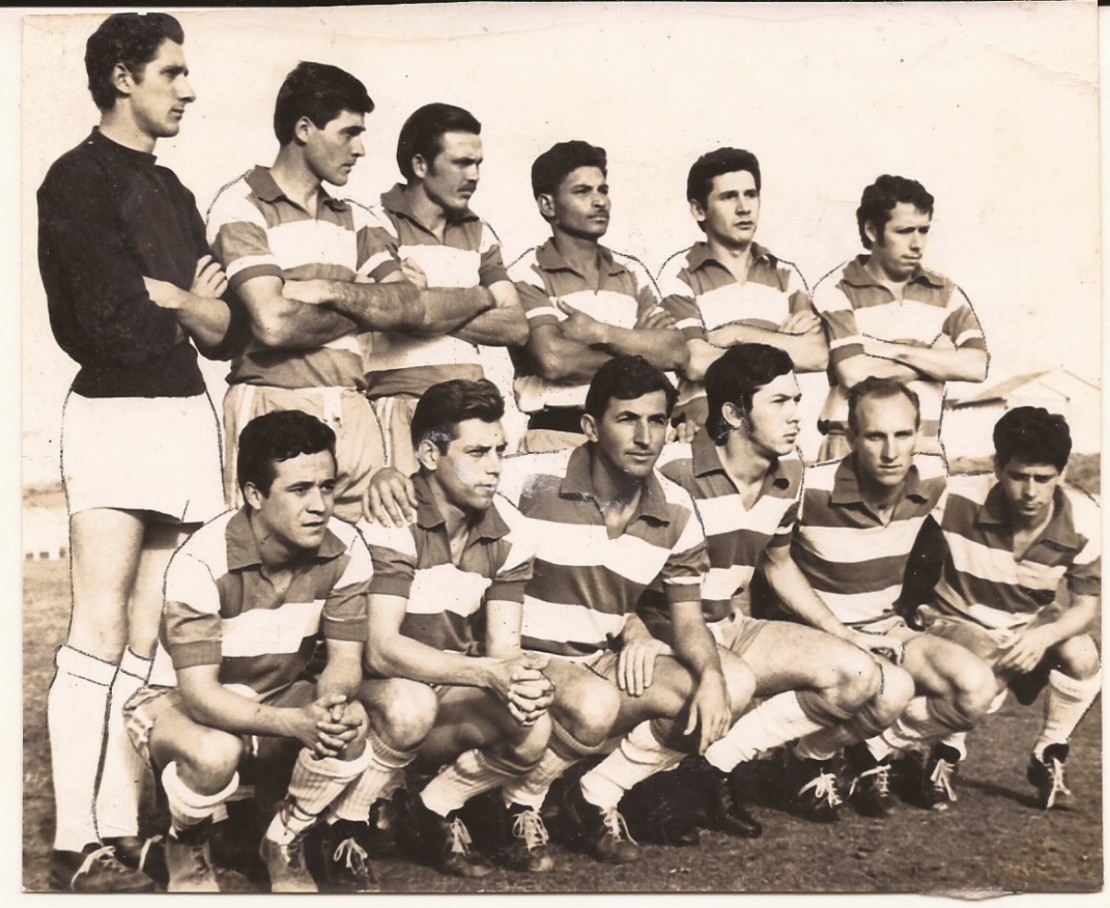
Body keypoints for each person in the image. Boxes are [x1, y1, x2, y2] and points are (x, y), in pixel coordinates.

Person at [37, 12, 242, 891]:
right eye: (172, 73)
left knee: (153, 636)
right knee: (98, 625)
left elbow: (227, 330)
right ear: (123, 77)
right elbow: (107, 323)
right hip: (115, 415)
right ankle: (72, 839)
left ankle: (123, 828)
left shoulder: (174, 191)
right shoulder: (74, 180)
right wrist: (182, 307)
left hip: (186, 415)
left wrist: (181, 302)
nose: (188, 90)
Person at [492, 356, 757, 864]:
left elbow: (687, 622)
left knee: (733, 681)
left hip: (593, 663)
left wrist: (710, 676)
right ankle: (518, 803)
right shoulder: (527, 479)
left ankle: (593, 796)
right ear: (591, 427)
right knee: (593, 704)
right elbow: (445, 491)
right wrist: (388, 479)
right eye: (627, 419)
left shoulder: (677, 509)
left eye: (657, 420)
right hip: (512, 662)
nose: (644, 437)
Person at [631, 344, 902, 831]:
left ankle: (713, 768)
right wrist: (633, 633)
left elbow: (778, 563)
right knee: (729, 681)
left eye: (796, 400)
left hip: (731, 626)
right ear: (734, 414)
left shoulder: (790, 471)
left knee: (862, 675)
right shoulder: (672, 469)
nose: (796, 415)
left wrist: (843, 632)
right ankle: (632, 787)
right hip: (666, 631)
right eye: (779, 402)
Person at [207, 66, 495, 523]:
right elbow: (274, 324)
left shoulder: (357, 219)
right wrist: (366, 302)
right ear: (304, 129)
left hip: (353, 410)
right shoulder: (241, 204)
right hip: (274, 401)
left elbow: (408, 307)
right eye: (349, 133)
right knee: (267, 551)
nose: (360, 148)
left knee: (377, 547)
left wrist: (324, 291)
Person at [123, 410, 375, 892]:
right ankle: (185, 839)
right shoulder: (201, 559)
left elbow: (345, 660)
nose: (320, 505)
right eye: (299, 490)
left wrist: (331, 705)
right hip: (177, 700)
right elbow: (200, 695)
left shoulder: (347, 547)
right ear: (255, 495)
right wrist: (294, 723)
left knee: (351, 725)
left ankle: (284, 839)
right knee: (216, 752)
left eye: (327, 487)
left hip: (274, 692)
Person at [321, 379, 553, 884]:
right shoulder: (392, 515)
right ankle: (344, 824)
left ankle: (431, 808)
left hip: (442, 685)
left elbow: (504, 649)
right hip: (367, 693)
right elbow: (380, 651)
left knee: (533, 723)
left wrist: (522, 680)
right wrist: (486, 674)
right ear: (430, 454)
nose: (494, 466)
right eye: (477, 452)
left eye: (499, 450)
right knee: (411, 704)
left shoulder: (511, 530)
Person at [786, 377, 996, 818]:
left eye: (902, 435)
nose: (891, 452)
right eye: (875, 436)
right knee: (890, 686)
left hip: (886, 631)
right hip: (821, 638)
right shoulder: (807, 488)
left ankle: (863, 749)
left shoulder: (932, 480)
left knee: (976, 689)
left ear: (918, 435)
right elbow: (766, 559)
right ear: (851, 437)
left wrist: (921, 600)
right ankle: (809, 759)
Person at [914, 407, 1101, 811]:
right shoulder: (953, 497)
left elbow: (1086, 607)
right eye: (1018, 476)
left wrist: (1043, 637)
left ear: (1063, 473)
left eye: (1043, 478)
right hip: (958, 622)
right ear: (998, 467)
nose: (1030, 491)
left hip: (1027, 628)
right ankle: (947, 753)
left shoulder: (1088, 519)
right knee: (981, 662)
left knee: (1084, 654)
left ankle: (1049, 752)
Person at [365, 103, 528, 476]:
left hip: (471, 411)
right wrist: (482, 299)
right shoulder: (374, 223)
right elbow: (405, 314)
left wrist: (430, 301)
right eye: (461, 163)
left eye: (478, 164)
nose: (474, 175)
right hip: (402, 405)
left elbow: (517, 327)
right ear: (421, 165)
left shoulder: (480, 232)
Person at [508, 141, 687, 453]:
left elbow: (676, 352)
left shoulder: (632, 272)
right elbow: (553, 360)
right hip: (558, 436)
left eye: (603, 190)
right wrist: (640, 348)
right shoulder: (527, 273)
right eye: (582, 191)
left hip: (633, 437)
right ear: (548, 205)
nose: (599, 201)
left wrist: (599, 333)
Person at [813, 174, 988, 460]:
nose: (917, 243)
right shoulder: (837, 288)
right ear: (872, 230)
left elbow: (977, 366)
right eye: (905, 231)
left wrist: (894, 351)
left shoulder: (945, 292)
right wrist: (935, 359)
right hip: (852, 448)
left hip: (924, 448)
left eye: (924, 230)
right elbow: (854, 374)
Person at [657, 148, 827, 436]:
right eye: (728, 197)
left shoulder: (785, 274)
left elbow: (817, 355)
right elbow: (695, 362)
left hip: (775, 431)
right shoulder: (679, 274)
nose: (744, 207)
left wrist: (738, 334)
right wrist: (782, 343)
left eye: (751, 194)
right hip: (709, 429)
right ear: (699, 210)